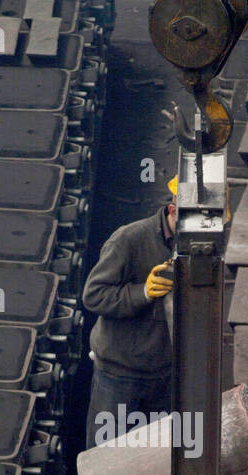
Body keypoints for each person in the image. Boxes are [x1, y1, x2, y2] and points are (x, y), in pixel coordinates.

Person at [81, 178, 178, 450]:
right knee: (106, 457)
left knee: (153, 458)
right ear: (172, 210)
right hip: (119, 375)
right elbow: (94, 295)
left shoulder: (195, 245)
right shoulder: (129, 239)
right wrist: (142, 293)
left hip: (164, 374)